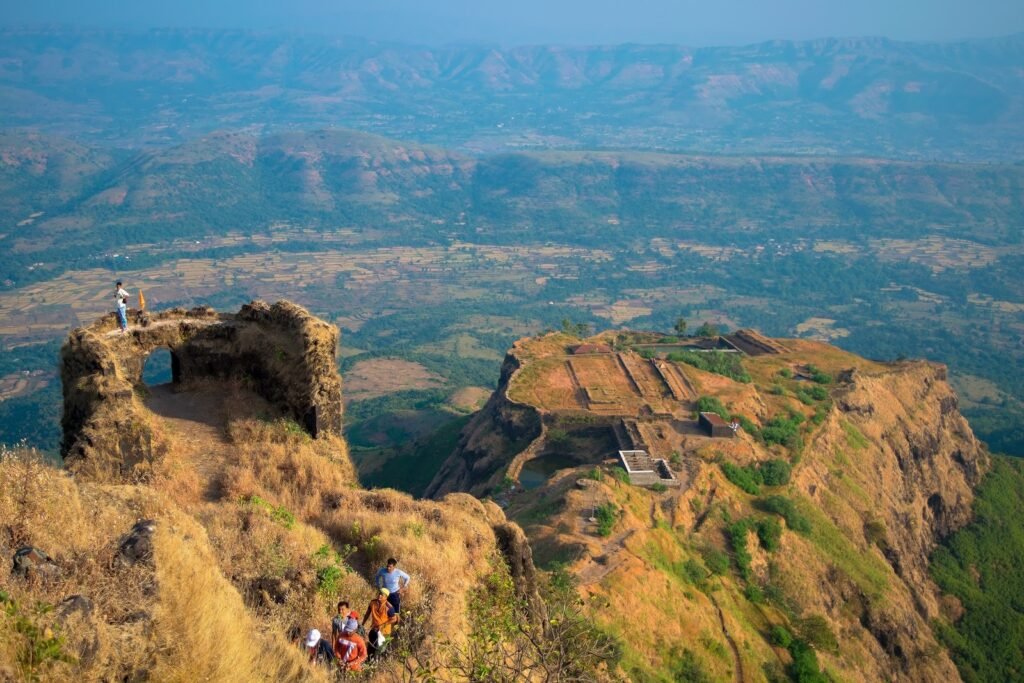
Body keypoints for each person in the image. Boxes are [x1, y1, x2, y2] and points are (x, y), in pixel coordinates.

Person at [363, 588, 399, 656]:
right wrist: (362, 624)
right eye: (379, 594)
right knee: (370, 649)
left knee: (380, 651)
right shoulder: (372, 603)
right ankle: (369, 661)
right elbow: (367, 614)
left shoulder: (389, 607)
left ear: (386, 597)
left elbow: (394, 619)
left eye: (382, 595)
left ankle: (377, 661)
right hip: (374, 629)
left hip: (384, 632)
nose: (379, 596)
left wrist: (382, 625)